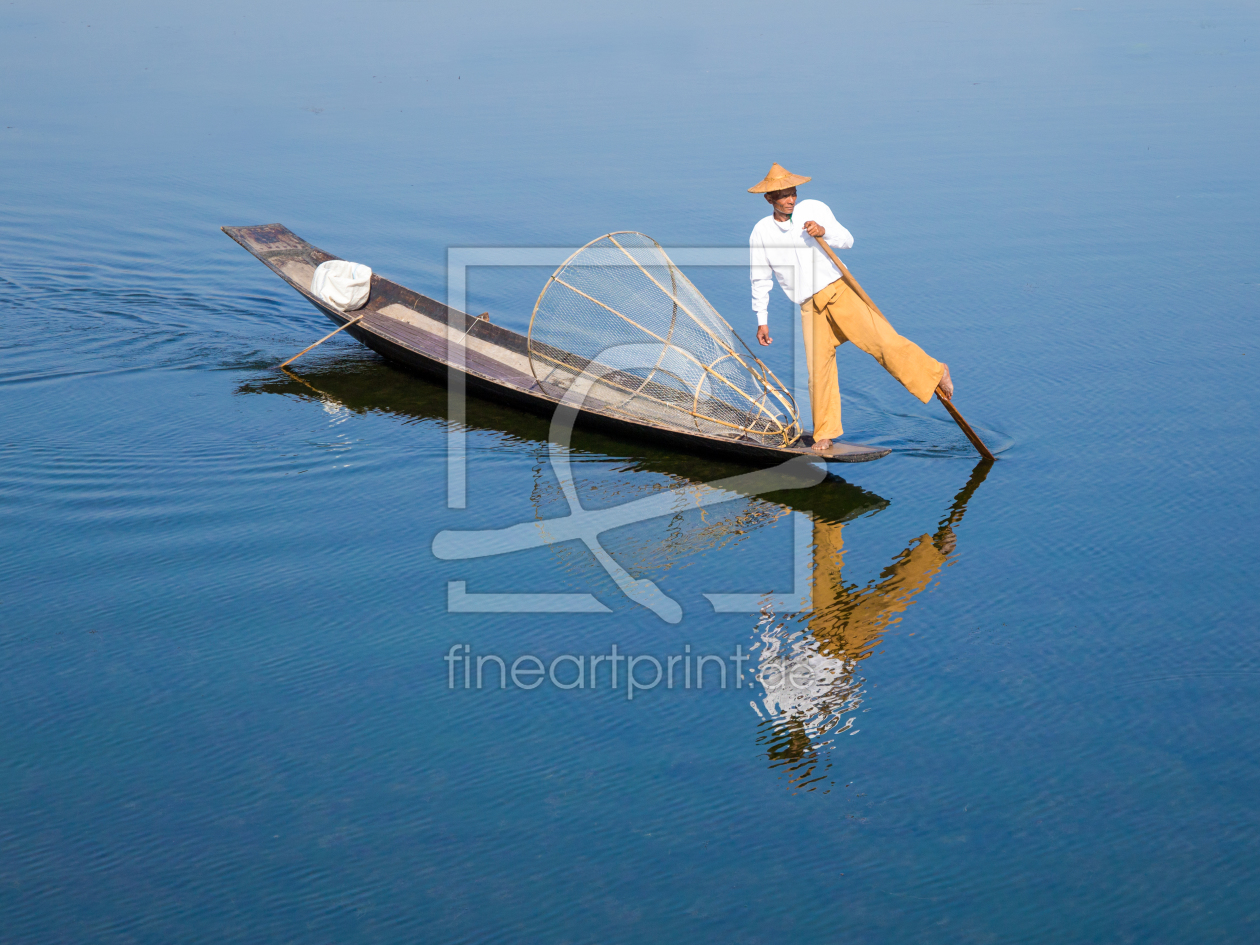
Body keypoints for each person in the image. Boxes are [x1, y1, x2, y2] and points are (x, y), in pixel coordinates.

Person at [748, 163, 953, 451]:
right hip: (810, 306)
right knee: (818, 370)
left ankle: (935, 371)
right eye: (783, 195)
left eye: (793, 192)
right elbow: (760, 277)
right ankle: (825, 432)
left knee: (882, 343)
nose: (790, 199)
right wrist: (762, 318)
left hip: (839, 292)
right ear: (769, 198)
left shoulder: (814, 209)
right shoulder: (761, 232)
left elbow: (847, 240)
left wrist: (824, 231)